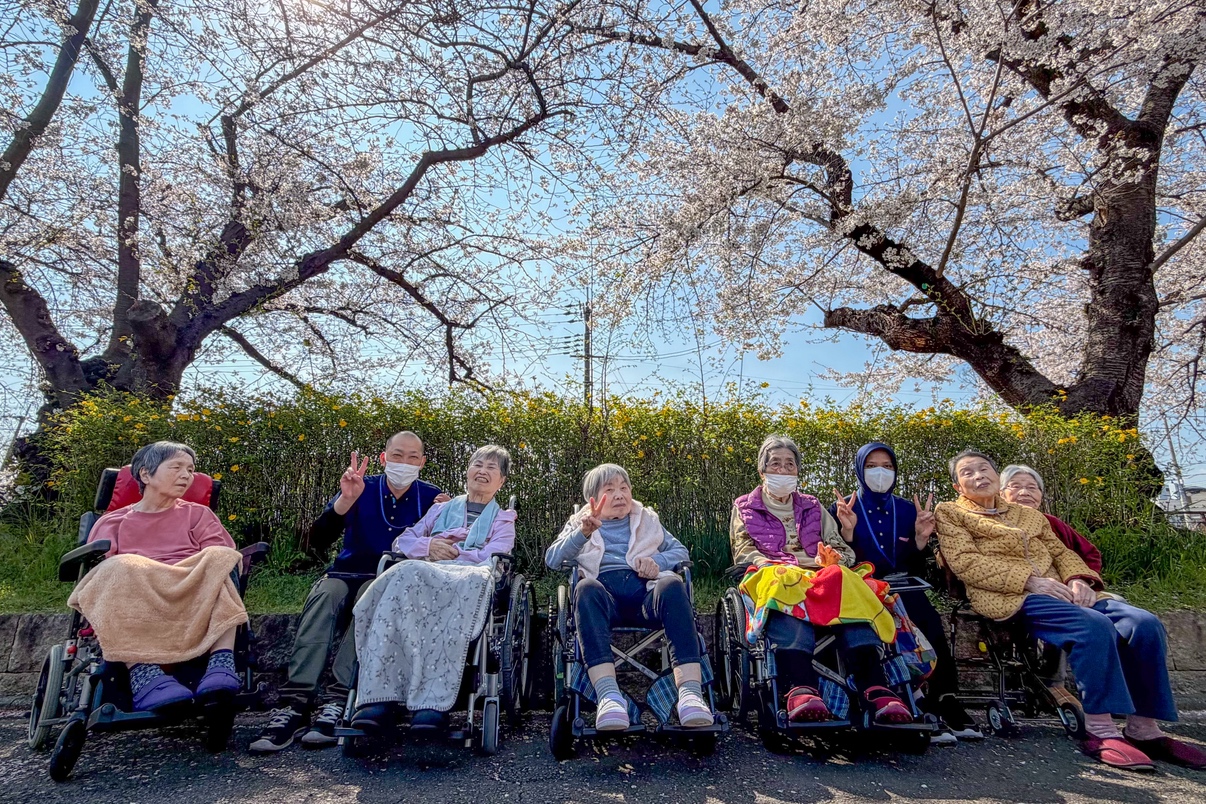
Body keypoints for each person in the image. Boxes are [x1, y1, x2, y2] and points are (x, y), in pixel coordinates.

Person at [935, 450, 1206, 772]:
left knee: (1143, 623)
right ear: (957, 486)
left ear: (996, 475)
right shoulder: (951, 513)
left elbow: (1063, 553)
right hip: (1011, 595)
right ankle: (1099, 728)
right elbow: (966, 562)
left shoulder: (1029, 516)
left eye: (984, 469)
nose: (979, 475)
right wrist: (1030, 581)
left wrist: (1079, 580)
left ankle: (1144, 729)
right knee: (1092, 626)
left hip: (1064, 590)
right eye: (968, 472)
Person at [250, 431, 446, 753]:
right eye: (397, 456)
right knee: (325, 594)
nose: (405, 463)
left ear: (422, 463)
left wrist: (450, 512)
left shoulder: (433, 497)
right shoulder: (361, 486)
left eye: (413, 457)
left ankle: (338, 698)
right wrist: (343, 502)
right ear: (384, 458)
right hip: (346, 571)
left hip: (392, 579)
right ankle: (294, 704)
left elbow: (444, 544)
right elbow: (317, 541)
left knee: (372, 595)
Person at [730, 435, 913, 725]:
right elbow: (742, 550)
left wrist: (834, 558)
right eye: (775, 463)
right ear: (761, 470)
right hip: (772, 570)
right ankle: (800, 687)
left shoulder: (812, 505)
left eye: (789, 464)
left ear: (797, 471)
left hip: (817, 573)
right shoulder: (745, 506)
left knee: (845, 579)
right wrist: (765, 562)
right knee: (783, 581)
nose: (782, 469)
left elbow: (840, 547)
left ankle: (876, 687)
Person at [71, 441, 248, 712]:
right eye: (176, 467)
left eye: (190, 470)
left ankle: (221, 664)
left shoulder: (199, 515)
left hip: (191, 596)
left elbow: (222, 556)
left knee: (221, 558)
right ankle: (144, 675)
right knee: (120, 565)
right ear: (145, 475)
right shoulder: (112, 522)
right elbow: (101, 576)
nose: (186, 475)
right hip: (139, 599)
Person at [350, 445, 516, 733]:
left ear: (501, 481)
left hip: (469, 577)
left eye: (492, 468)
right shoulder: (439, 510)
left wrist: (454, 553)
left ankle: (431, 705)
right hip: (425, 572)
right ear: (467, 472)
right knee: (403, 572)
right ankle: (380, 698)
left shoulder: (503, 519)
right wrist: (430, 546)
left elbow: (497, 554)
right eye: (478, 464)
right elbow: (402, 542)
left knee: (456, 588)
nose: (483, 471)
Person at [830, 442, 983, 742]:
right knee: (889, 630)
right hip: (864, 587)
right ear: (860, 470)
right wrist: (847, 532)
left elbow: (915, 563)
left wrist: (920, 539)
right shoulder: (844, 508)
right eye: (872, 466)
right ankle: (914, 701)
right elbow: (838, 559)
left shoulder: (906, 508)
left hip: (903, 585)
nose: (880, 472)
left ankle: (946, 699)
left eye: (887, 467)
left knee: (929, 624)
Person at [545, 463, 714, 731]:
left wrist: (657, 561)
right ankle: (609, 697)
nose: (619, 495)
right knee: (585, 588)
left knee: (672, 583)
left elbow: (681, 552)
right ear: (592, 498)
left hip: (646, 593)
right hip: (603, 598)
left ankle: (690, 694)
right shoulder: (581, 521)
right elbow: (553, 560)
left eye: (624, 488)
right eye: (609, 490)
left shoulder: (646, 518)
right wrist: (583, 533)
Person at [999, 463, 1102, 709]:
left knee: (1124, 613)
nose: (1025, 492)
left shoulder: (1053, 524)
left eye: (1032, 487)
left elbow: (1089, 556)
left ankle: (1111, 695)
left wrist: (1081, 581)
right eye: (1016, 486)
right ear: (1002, 494)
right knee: (1063, 609)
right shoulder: (996, 523)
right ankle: (1054, 683)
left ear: (1041, 495)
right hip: (1020, 591)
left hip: (1066, 588)